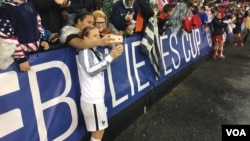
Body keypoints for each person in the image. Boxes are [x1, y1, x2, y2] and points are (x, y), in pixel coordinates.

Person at [78, 26, 124, 141]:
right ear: (85, 38)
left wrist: (115, 48)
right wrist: (110, 57)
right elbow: (91, 71)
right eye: (94, 36)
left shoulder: (94, 51)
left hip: (95, 98)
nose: (98, 38)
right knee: (98, 133)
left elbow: (110, 60)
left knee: (99, 131)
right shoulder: (84, 51)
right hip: (92, 99)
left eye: (98, 35)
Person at [0, 0, 49, 71]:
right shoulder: (5, 10)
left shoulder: (29, 5)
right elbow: (7, 37)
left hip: (34, 55)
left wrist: (41, 40)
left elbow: (38, 24)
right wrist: (21, 59)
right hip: (17, 61)